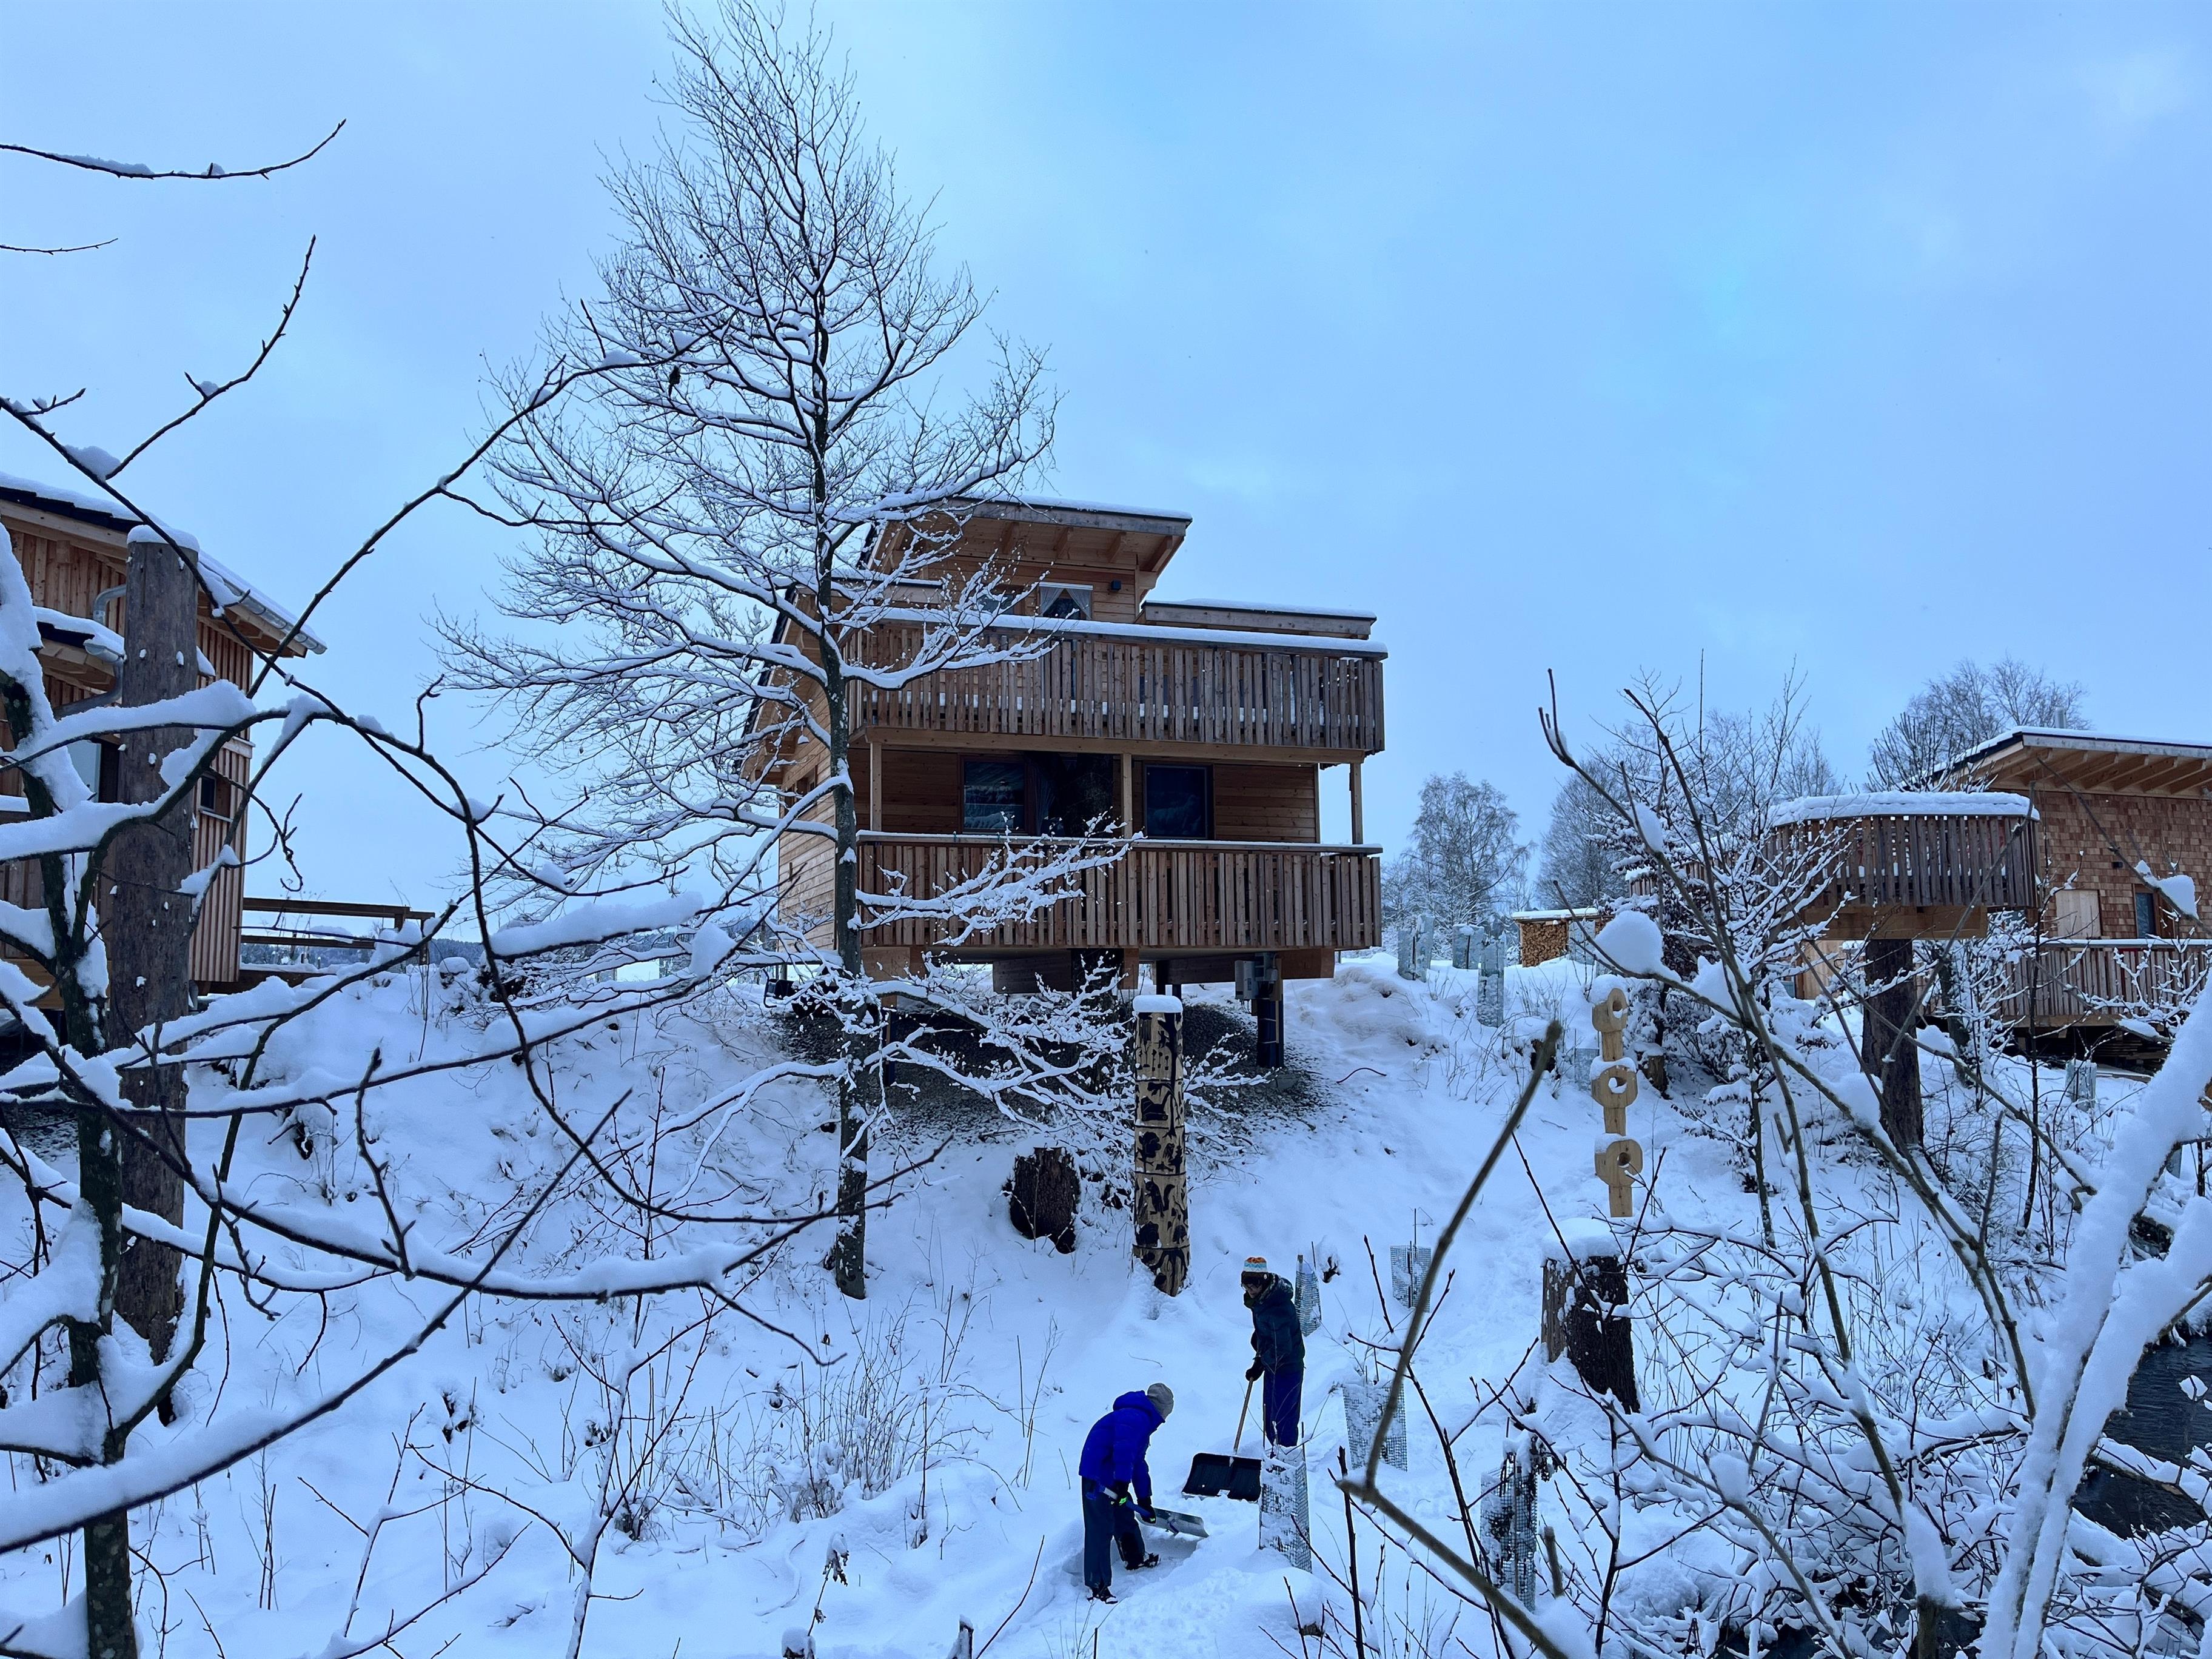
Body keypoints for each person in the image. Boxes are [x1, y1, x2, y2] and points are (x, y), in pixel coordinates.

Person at [1076, 1382, 1173, 1603]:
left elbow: (1137, 1463)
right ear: (1161, 1408)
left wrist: (1145, 1499)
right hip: (1097, 1474)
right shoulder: (1134, 1417)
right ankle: (1097, 1584)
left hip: (1112, 1473)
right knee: (1100, 1526)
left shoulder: (1143, 1421)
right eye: (1167, 1413)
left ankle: (1135, 1558)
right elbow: (1123, 1452)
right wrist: (1122, 1484)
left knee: (1123, 1514)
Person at [1242, 1255, 1305, 1447]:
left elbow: (1282, 1347)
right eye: (1246, 1286)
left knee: (1283, 1419)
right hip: (1273, 1366)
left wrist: (1262, 1362)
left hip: (1288, 1368)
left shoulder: (1278, 1307)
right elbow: (1267, 1336)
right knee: (1270, 1416)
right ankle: (1273, 1454)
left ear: (1263, 1282)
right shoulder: (1261, 1301)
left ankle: (1286, 1458)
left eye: (1254, 1286)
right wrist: (1259, 1360)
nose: (1250, 1291)